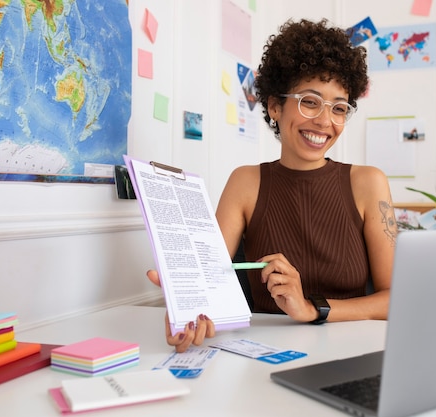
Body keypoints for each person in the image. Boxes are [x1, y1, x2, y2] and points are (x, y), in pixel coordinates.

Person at [147, 18, 398, 352]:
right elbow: (207, 280)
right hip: (264, 352)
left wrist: (312, 309)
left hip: (353, 350)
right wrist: (187, 304)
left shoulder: (369, 183)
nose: (325, 121)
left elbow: (394, 298)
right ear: (275, 106)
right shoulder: (245, 182)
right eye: (310, 101)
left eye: (339, 108)